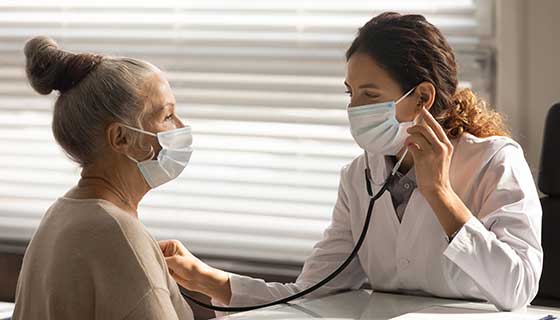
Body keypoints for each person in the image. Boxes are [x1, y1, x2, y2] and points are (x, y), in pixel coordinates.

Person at [159, 12, 543, 311]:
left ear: (422, 97)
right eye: (351, 94)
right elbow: (308, 295)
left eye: (370, 94)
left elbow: (519, 289)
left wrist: (440, 194)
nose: (354, 108)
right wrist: (208, 279)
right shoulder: (360, 175)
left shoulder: (495, 161)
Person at [13, 36, 194, 320]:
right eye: (168, 116)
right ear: (121, 137)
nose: (182, 127)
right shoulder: (119, 234)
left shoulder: (61, 214)